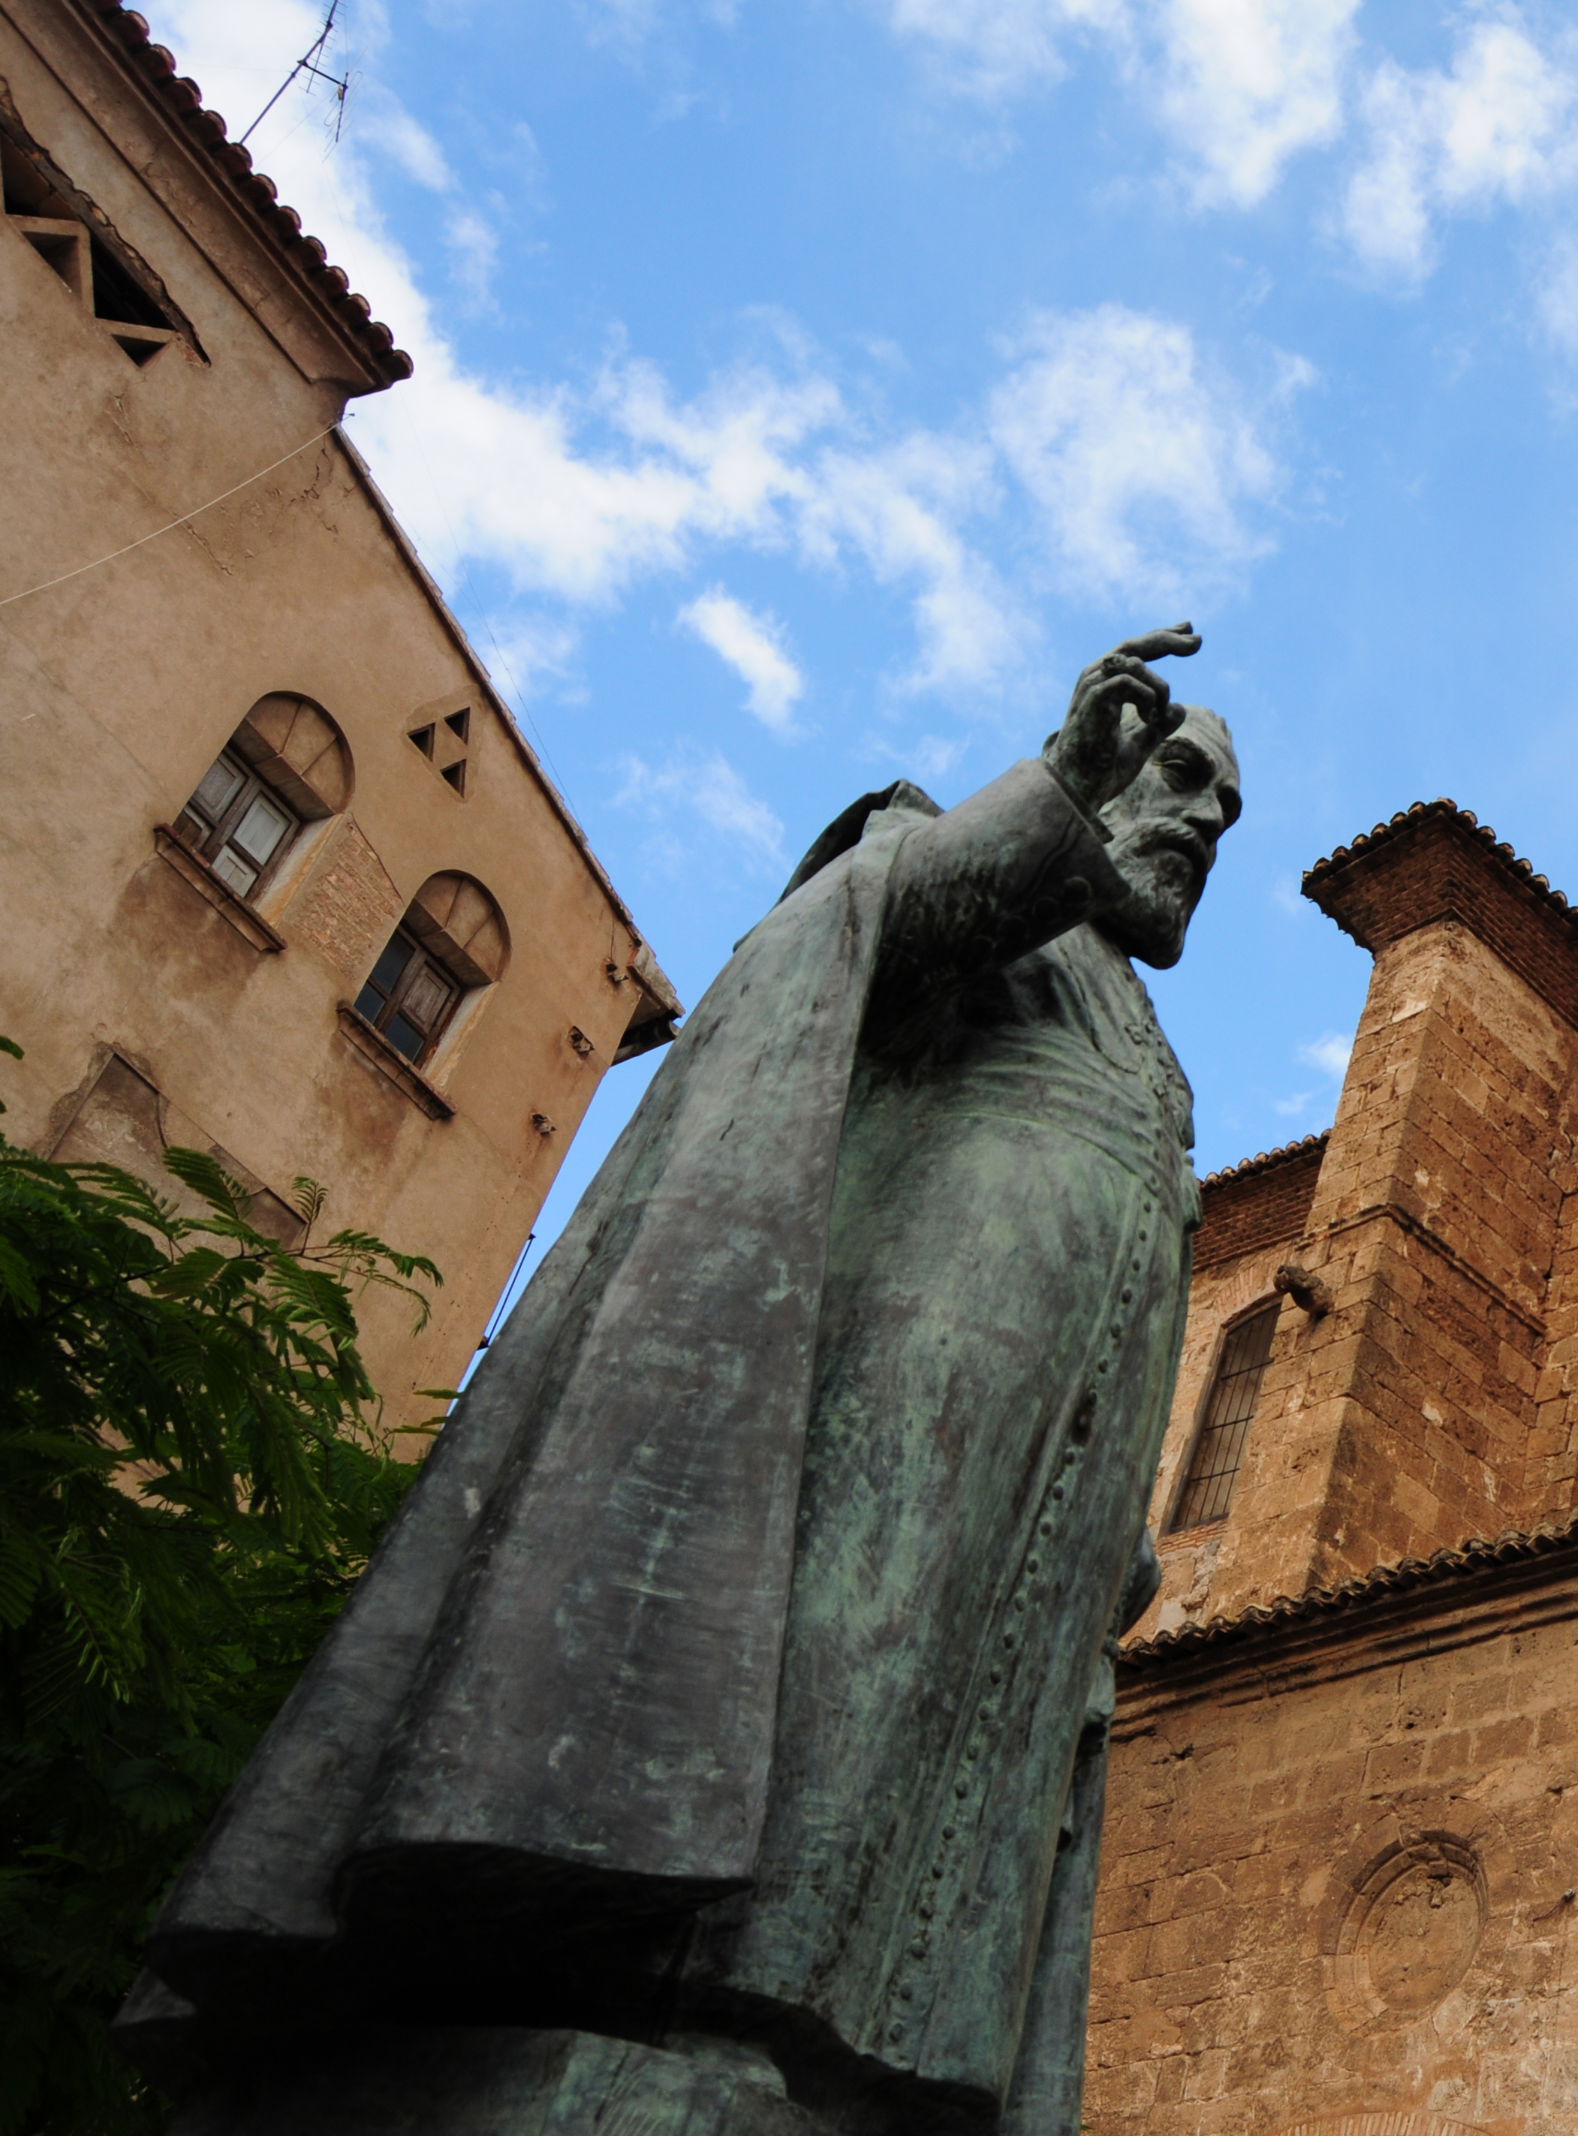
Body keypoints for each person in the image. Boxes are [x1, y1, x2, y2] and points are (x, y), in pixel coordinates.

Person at [134, 630, 1239, 2136]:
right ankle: (694, 1994)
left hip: (1025, 1509)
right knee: (819, 1720)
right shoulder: (954, 844)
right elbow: (883, 923)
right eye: (1181, 778)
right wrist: (1061, 778)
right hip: (870, 1402)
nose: (1199, 822)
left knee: (926, 1773)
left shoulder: (1153, 1053)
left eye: (1223, 815)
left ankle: (829, 2061)